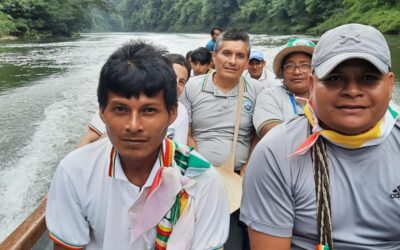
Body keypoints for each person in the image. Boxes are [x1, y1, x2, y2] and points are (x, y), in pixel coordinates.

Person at [46, 41, 229, 249]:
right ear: (102, 112)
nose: (133, 126)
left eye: (149, 110)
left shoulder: (202, 179)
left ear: (172, 114)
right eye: (121, 109)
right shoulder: (75, 171)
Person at [240, 23, 399, 249]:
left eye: (368, 78)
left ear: (390, 84)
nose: (352, 91)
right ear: (312, 85)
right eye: (334, 78)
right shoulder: (276, 153)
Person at [181, 29, 262, 250]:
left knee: (234, 242)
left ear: (246, 61)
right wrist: (195, 158)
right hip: (198, 179)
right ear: (214, 57)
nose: (233, 61)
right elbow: (184, 130)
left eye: (240, 56)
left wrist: (249, 164)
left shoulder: (256, 89)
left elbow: (258, 135)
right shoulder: (193, 87)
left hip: (239, 182)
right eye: (227, 54)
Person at [77, 52, 191, 147]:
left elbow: (178, 148)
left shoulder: (181, 112)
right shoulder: (118, 99)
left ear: (172, 113)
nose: (134, 126)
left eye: (182, 81)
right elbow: (88, 139)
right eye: (172, 78)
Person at [252, 38, 315, 138]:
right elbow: (273, 136)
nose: (297, 72)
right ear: (282, 71)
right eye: (290, 66)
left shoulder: (329, 96)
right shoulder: (270, 96)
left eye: (305, 65)